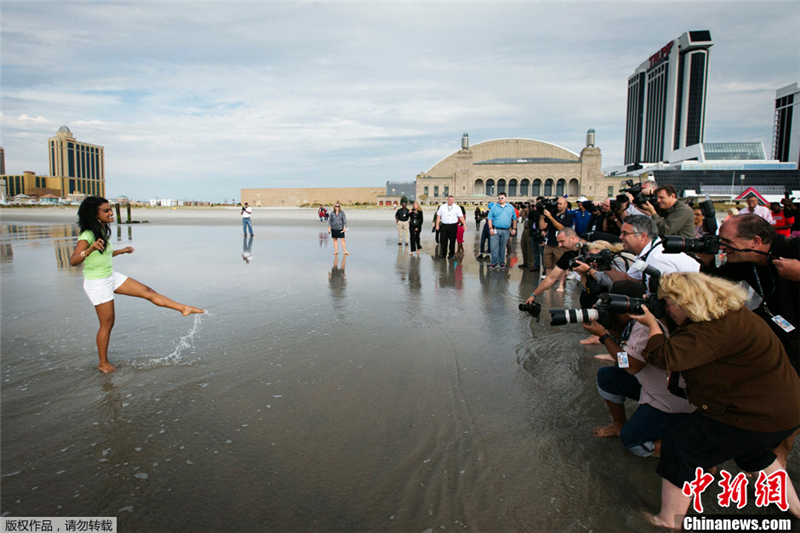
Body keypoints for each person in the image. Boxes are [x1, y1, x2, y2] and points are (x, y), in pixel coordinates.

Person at [633, 272, 800, 528]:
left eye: (668, 303)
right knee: (754, 452)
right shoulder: (730, 313)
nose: (666, 309)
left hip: (755, 414)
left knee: (681, 446)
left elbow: (668, 358)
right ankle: (797, 509)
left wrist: (653, 326)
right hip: (783, 409)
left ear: (686, 301)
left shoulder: (712, 329)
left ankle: (668, 521)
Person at [70, 197, 204, 373]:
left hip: (109, 276)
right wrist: (89, 249)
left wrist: (121, 251)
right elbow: (74, 260)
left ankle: (183, 308)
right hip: (97, 283)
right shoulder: (87, 235)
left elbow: (103, 254)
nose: (111, 213)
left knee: (147, 291)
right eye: (106, 210)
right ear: (94, 214)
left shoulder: (101, 230)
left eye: (110, 209)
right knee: (107, 324)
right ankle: (103, 363)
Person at [584, 281, 694, 456]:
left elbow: (629, 365)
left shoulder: (645, 325)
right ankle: (619, 424)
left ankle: (696, 448)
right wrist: (611, 328)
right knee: (608, 376)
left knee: (633, 442)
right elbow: (625, 349)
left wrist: (604, 337)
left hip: (669, 397)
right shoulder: (647, 317)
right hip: (658, 384)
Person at [604, 215, 699, 288]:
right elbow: (627, 281)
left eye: (625, 233)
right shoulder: (648, 253)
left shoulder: (658, 258)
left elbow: (668, 294)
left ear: (642, 236)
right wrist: (604, 265)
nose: (620, 237)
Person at [539, 197, 573, 288]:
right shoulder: (553, 213)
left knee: (561, 266)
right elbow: (542, 226)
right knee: (548, 265)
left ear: (566, 205)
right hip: (550, 242)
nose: (558, 205)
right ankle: (547, 284)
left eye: (560, 204)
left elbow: (561, 228)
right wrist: (542, 215)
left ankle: (561, 285)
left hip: (561, 245)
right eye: (557, 203)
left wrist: (550, 217)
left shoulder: (568, 216)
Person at [486, 192, 518, 270]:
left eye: (502, 198)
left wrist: (514, 228)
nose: (500, 199)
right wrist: (490, 228)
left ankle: (502, 263)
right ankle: (494, 263)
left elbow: (514, 218)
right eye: (499, 198)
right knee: (494, 247)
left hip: (506, 230)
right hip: (496, 229)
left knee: (503, 247)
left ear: (505, 198)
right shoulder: (494, 207)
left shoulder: (510, 207)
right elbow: (489, 218)